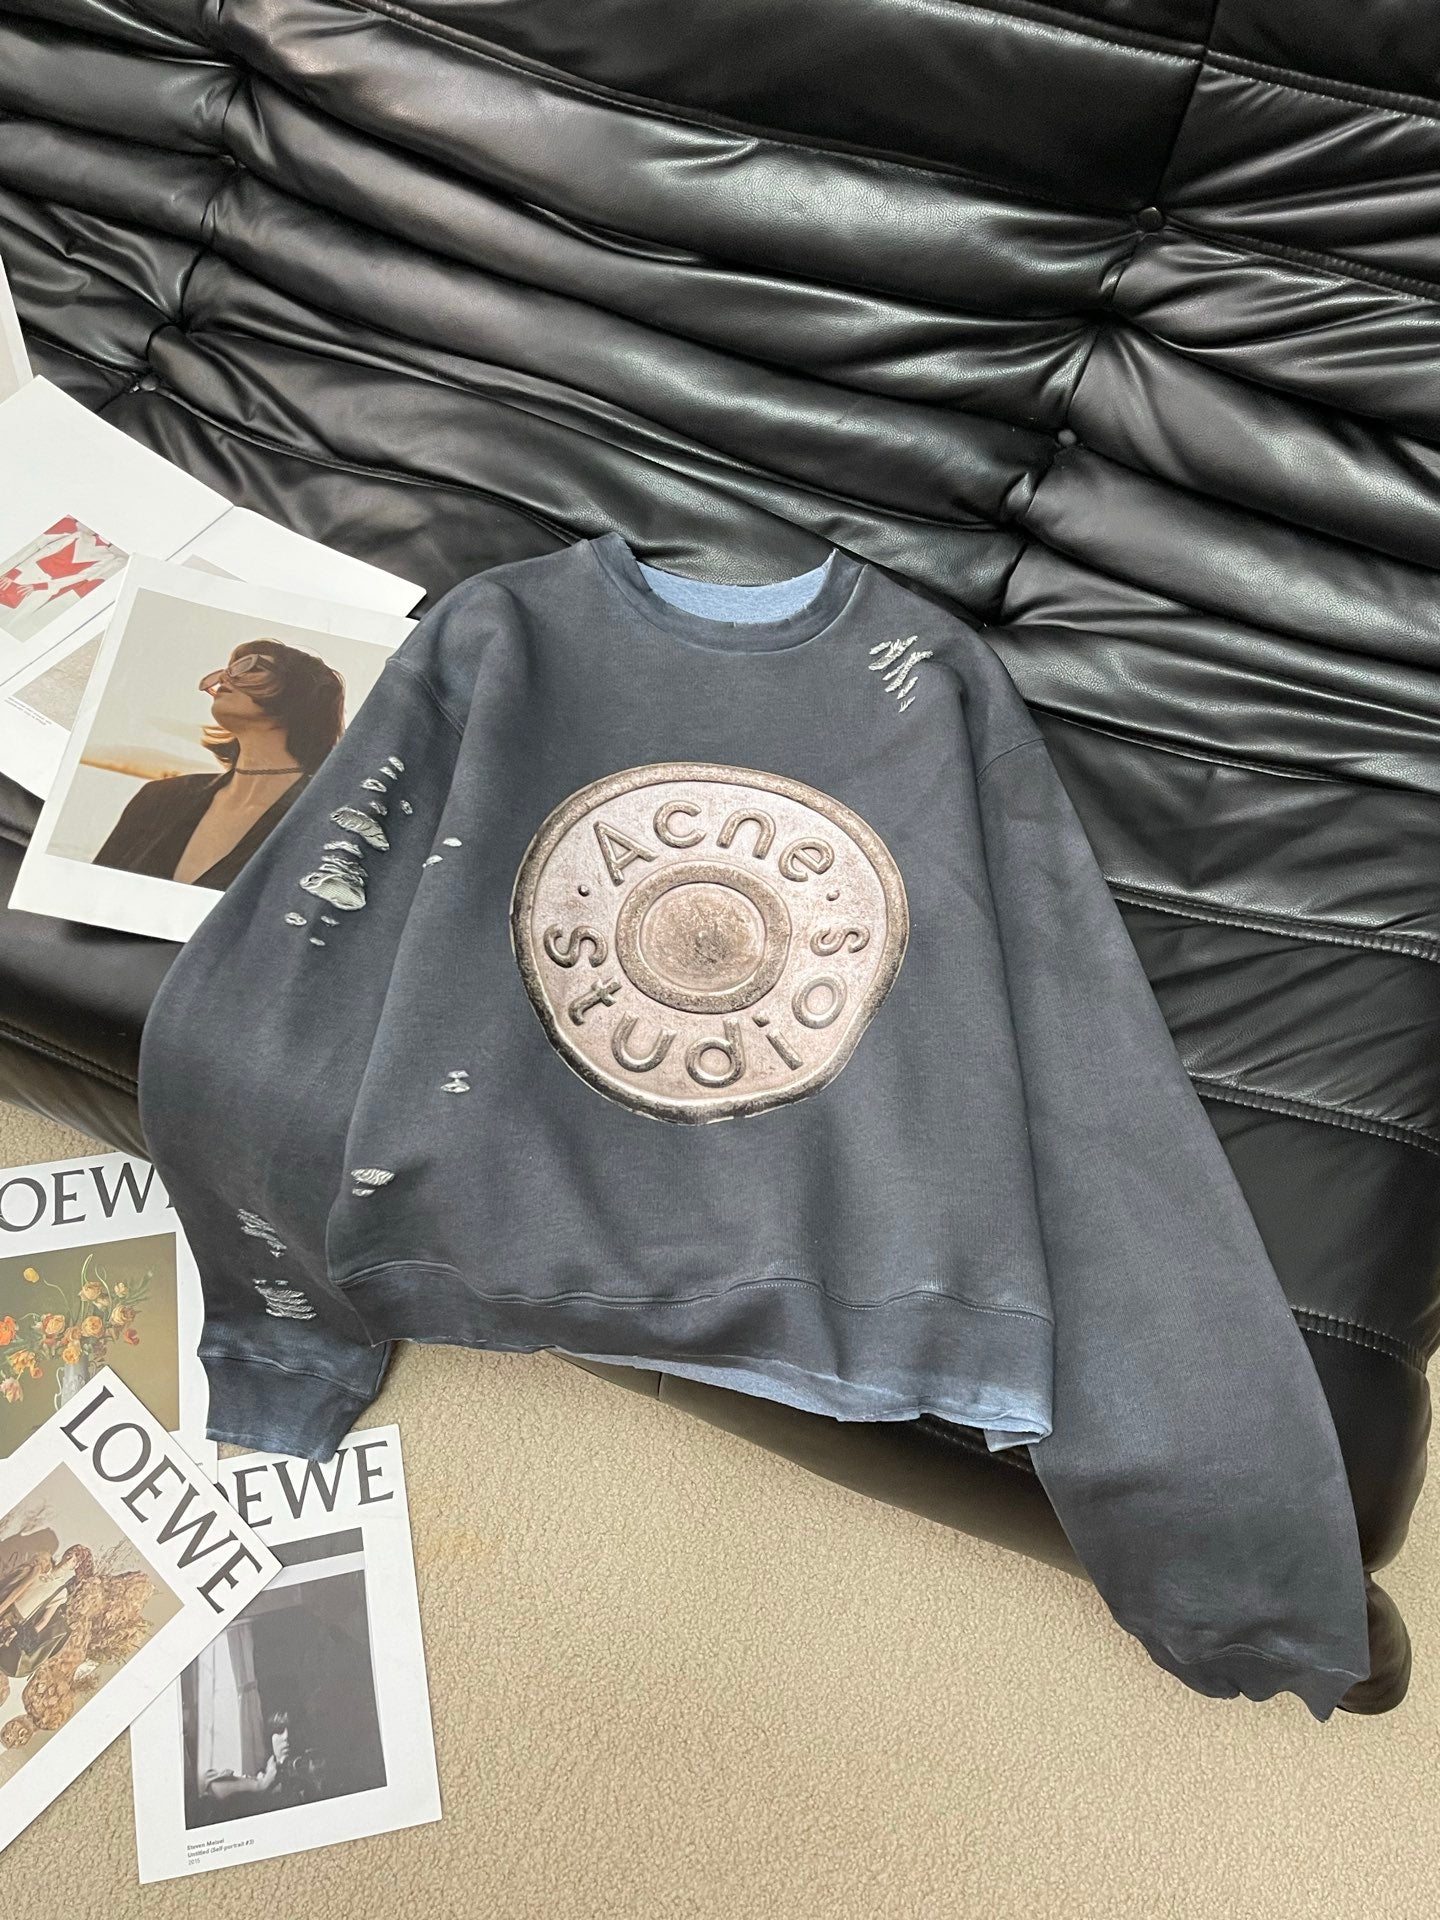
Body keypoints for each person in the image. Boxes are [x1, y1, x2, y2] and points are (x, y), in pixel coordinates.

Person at [91, 639, 346, 890]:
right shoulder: (158, 797)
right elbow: (89, 892)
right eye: (228, 669)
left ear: (299, 692)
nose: (226, 677)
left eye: (251, 667)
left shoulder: (324, 823)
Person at [196, 1708, 327, 1818]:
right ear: (270, 1737)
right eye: (279, 1730)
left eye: (292, 1730)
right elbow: (213, 1787)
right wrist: (261, 1785)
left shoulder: (312, 1765)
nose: (286, 1737)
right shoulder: (262, 1776)